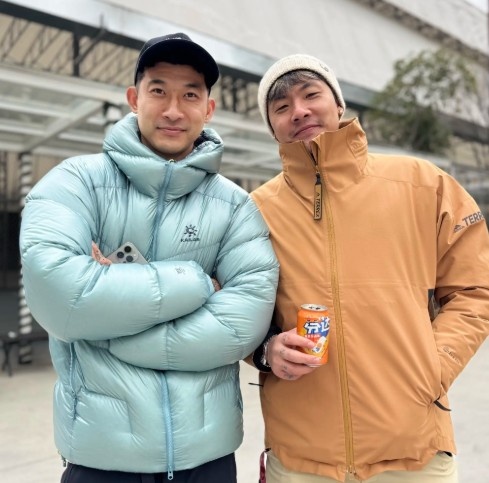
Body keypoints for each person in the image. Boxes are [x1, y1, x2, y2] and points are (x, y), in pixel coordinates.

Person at [19, 32, 278, 483]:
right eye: (159, 91)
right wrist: (199, 284)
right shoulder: (75, 183)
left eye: (190, 95)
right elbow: (61, 298)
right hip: (101, 458)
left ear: (208, 109)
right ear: (134, 98)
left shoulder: (236, 206)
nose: (173, 110)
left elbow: (243, 324)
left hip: (207, 458)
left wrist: (106, 322)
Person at [249, 54, 489, 482]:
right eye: (281, 106)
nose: (298, 111)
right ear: (272, 127)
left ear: (339, 104)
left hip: (414, 456)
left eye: (311, 94)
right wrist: (265, 351)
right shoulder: (255, 211)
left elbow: (475, 288)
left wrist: (435, 364)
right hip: (302, 461)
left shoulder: (421, 184)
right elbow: (229, 304)